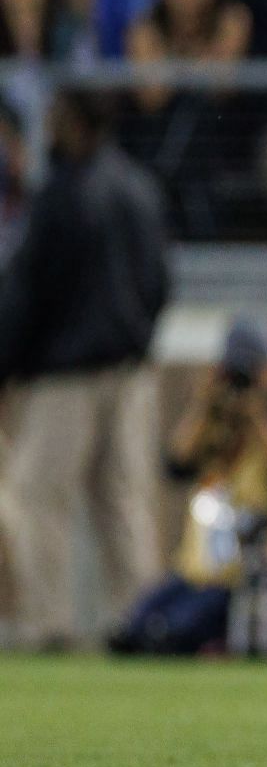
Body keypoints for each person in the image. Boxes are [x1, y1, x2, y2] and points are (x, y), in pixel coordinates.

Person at [0, 94, 170, 651]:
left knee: (38, 496)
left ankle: (51, 622)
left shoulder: (59, 196)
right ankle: (138, 620)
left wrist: (11, 363)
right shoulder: (140, 189)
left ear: (74, 123)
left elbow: (29, 292)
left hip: (63, 377)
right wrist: (138, 342)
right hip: (130, 372)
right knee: (123, 500)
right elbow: (159, 284)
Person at [110, 319, 267, 657]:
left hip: (261, 569)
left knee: (175, 634)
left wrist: (258, 414)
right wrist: (204, 404)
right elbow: (175, 465)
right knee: (134, 629)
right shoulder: (219, 411)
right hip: (203, 566)